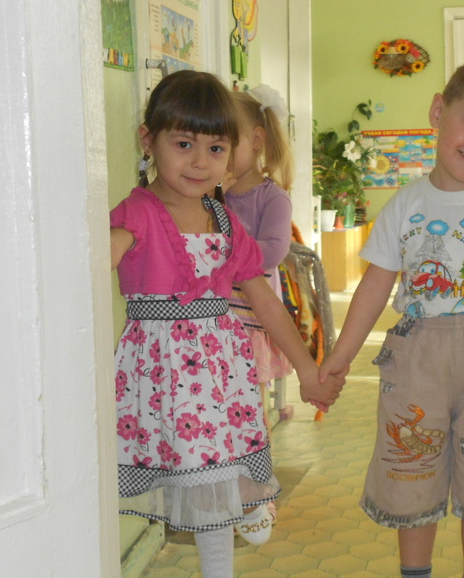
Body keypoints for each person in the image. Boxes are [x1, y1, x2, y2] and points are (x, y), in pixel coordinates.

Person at [319, 57, 464, 578]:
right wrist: (340, 356)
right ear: (439, 112)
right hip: (416, 357)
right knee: (411, 469)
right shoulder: (404, 205)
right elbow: (375, 286)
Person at [109, 70, 343, 577]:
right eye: (184, 144)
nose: (200, 162)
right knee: (201, 485)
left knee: (212, 484)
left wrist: (307, 370)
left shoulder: (224, 221)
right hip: (164, 377)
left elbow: (266, 303)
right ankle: (245, 497)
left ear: (233, 152)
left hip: (219, 376)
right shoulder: (138, 212)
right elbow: (86, 269)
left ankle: (243, 503)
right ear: (148, 141)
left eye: (215, 149)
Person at [224, 85, 295, 523]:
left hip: (250, 322)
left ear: (255, 140)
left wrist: (224, 250)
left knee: (249, 414)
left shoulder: (273, 198)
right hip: (212, 324)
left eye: (224, 142)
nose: (215, 153)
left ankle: (257, 495)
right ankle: (224, 494)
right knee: (217, 413)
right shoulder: (210, 194)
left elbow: (272, 252)